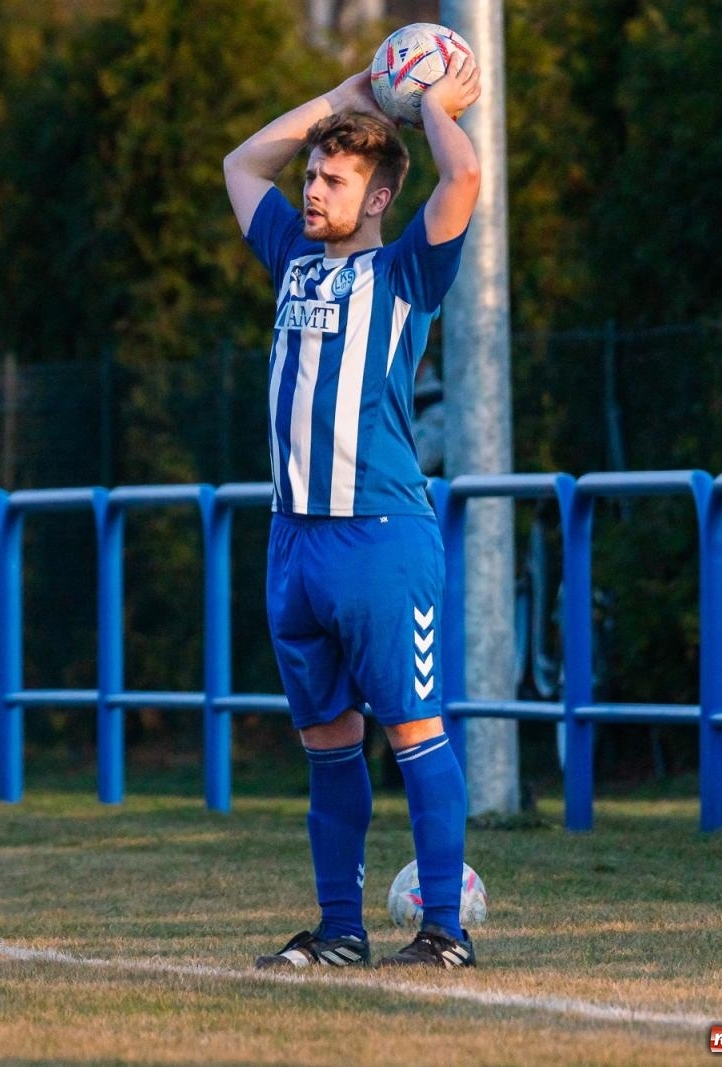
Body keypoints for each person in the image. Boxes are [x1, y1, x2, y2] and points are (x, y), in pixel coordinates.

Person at [222, 54, 482, 968]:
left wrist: (432, 105)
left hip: (380, 537)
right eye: (315, 176)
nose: (314, 189)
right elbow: (240, 165)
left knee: (412, 730)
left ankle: (444, 931)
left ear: (376, 199)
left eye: (334, 179)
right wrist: (345, 102)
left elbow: (465, 177)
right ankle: (340, 930)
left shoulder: (408, 274)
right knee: (329, 747)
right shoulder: (292, 257)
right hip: (293, 542)